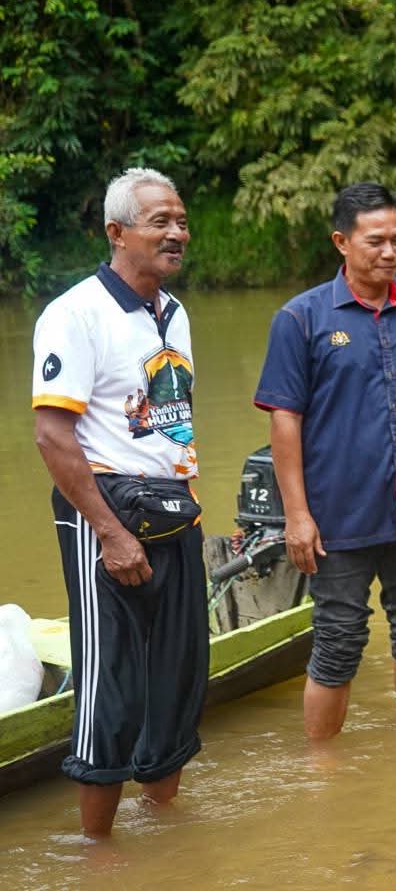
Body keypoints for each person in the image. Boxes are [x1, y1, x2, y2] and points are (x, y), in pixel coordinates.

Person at [253, 182, 396, 740]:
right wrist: (297, 516)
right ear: (341, 243)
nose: (390, 252)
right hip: (338, 518)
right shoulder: (300, 319)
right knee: (339, 638)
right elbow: (285, 420)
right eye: (376, 241)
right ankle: (322, 770)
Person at [31, 168, 206, 836]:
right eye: (160, 221)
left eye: (181, 221)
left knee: (180, 678)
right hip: (103, 511)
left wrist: (191, 494)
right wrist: (108, 532)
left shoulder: (173, 311)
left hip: (173, 508)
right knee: (112, 690)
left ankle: (164, 838)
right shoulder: (75, 314)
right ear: (116, 231)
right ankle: (98, 856)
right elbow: (52, 434)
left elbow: (170, 417)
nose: (177, 233)